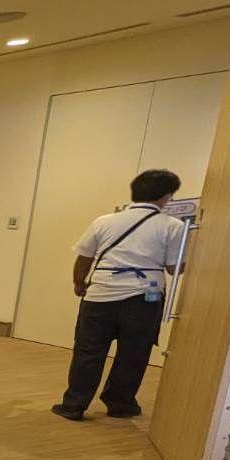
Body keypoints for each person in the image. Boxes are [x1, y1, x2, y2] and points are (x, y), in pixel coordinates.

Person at [52, 169, 186, 421]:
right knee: (134, 353)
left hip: (100, 293)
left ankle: (73, 405)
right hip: (145, 297)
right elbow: (174, 268)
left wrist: (79, 283)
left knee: (88, 351)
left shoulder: (104, 221)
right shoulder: (173, 226)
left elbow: (84, 257)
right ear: (167, 196)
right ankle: (120, 404)